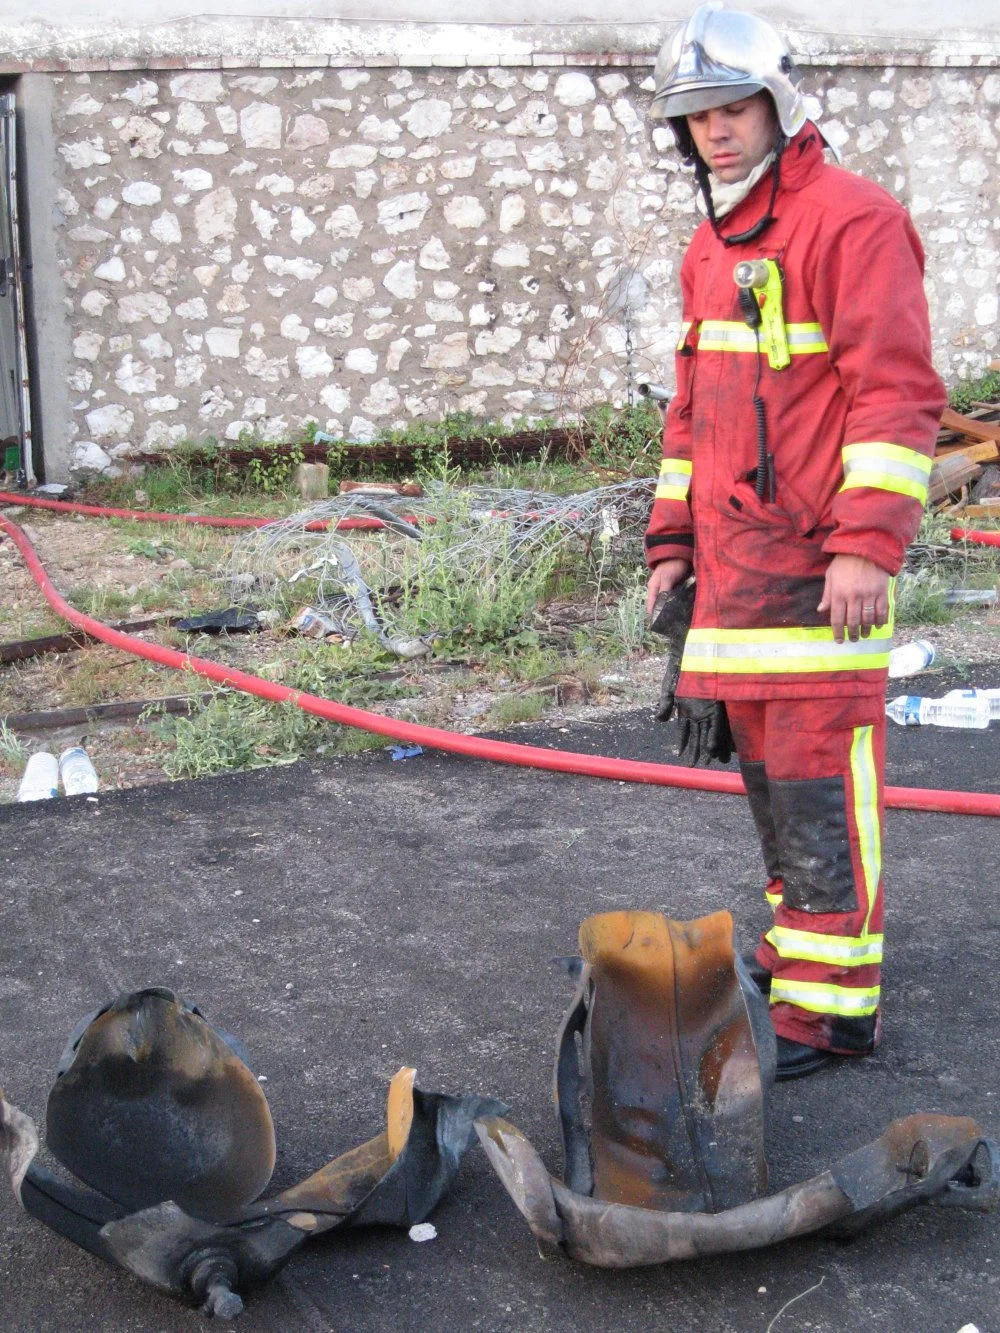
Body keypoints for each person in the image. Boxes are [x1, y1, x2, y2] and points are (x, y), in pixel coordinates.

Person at [643, 2, 947, 1079]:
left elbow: (897, 396)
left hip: (822, 573)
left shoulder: (852, 222)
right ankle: (799, 948)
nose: (715, 132)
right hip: (733, 578)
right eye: (696, 118)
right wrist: (669, 543)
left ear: (780, 103)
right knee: (770, 779)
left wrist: (867, 543)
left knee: (822, 778)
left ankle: (830, 1006)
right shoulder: (710, 246)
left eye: (733, 109)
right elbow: (691, 414)